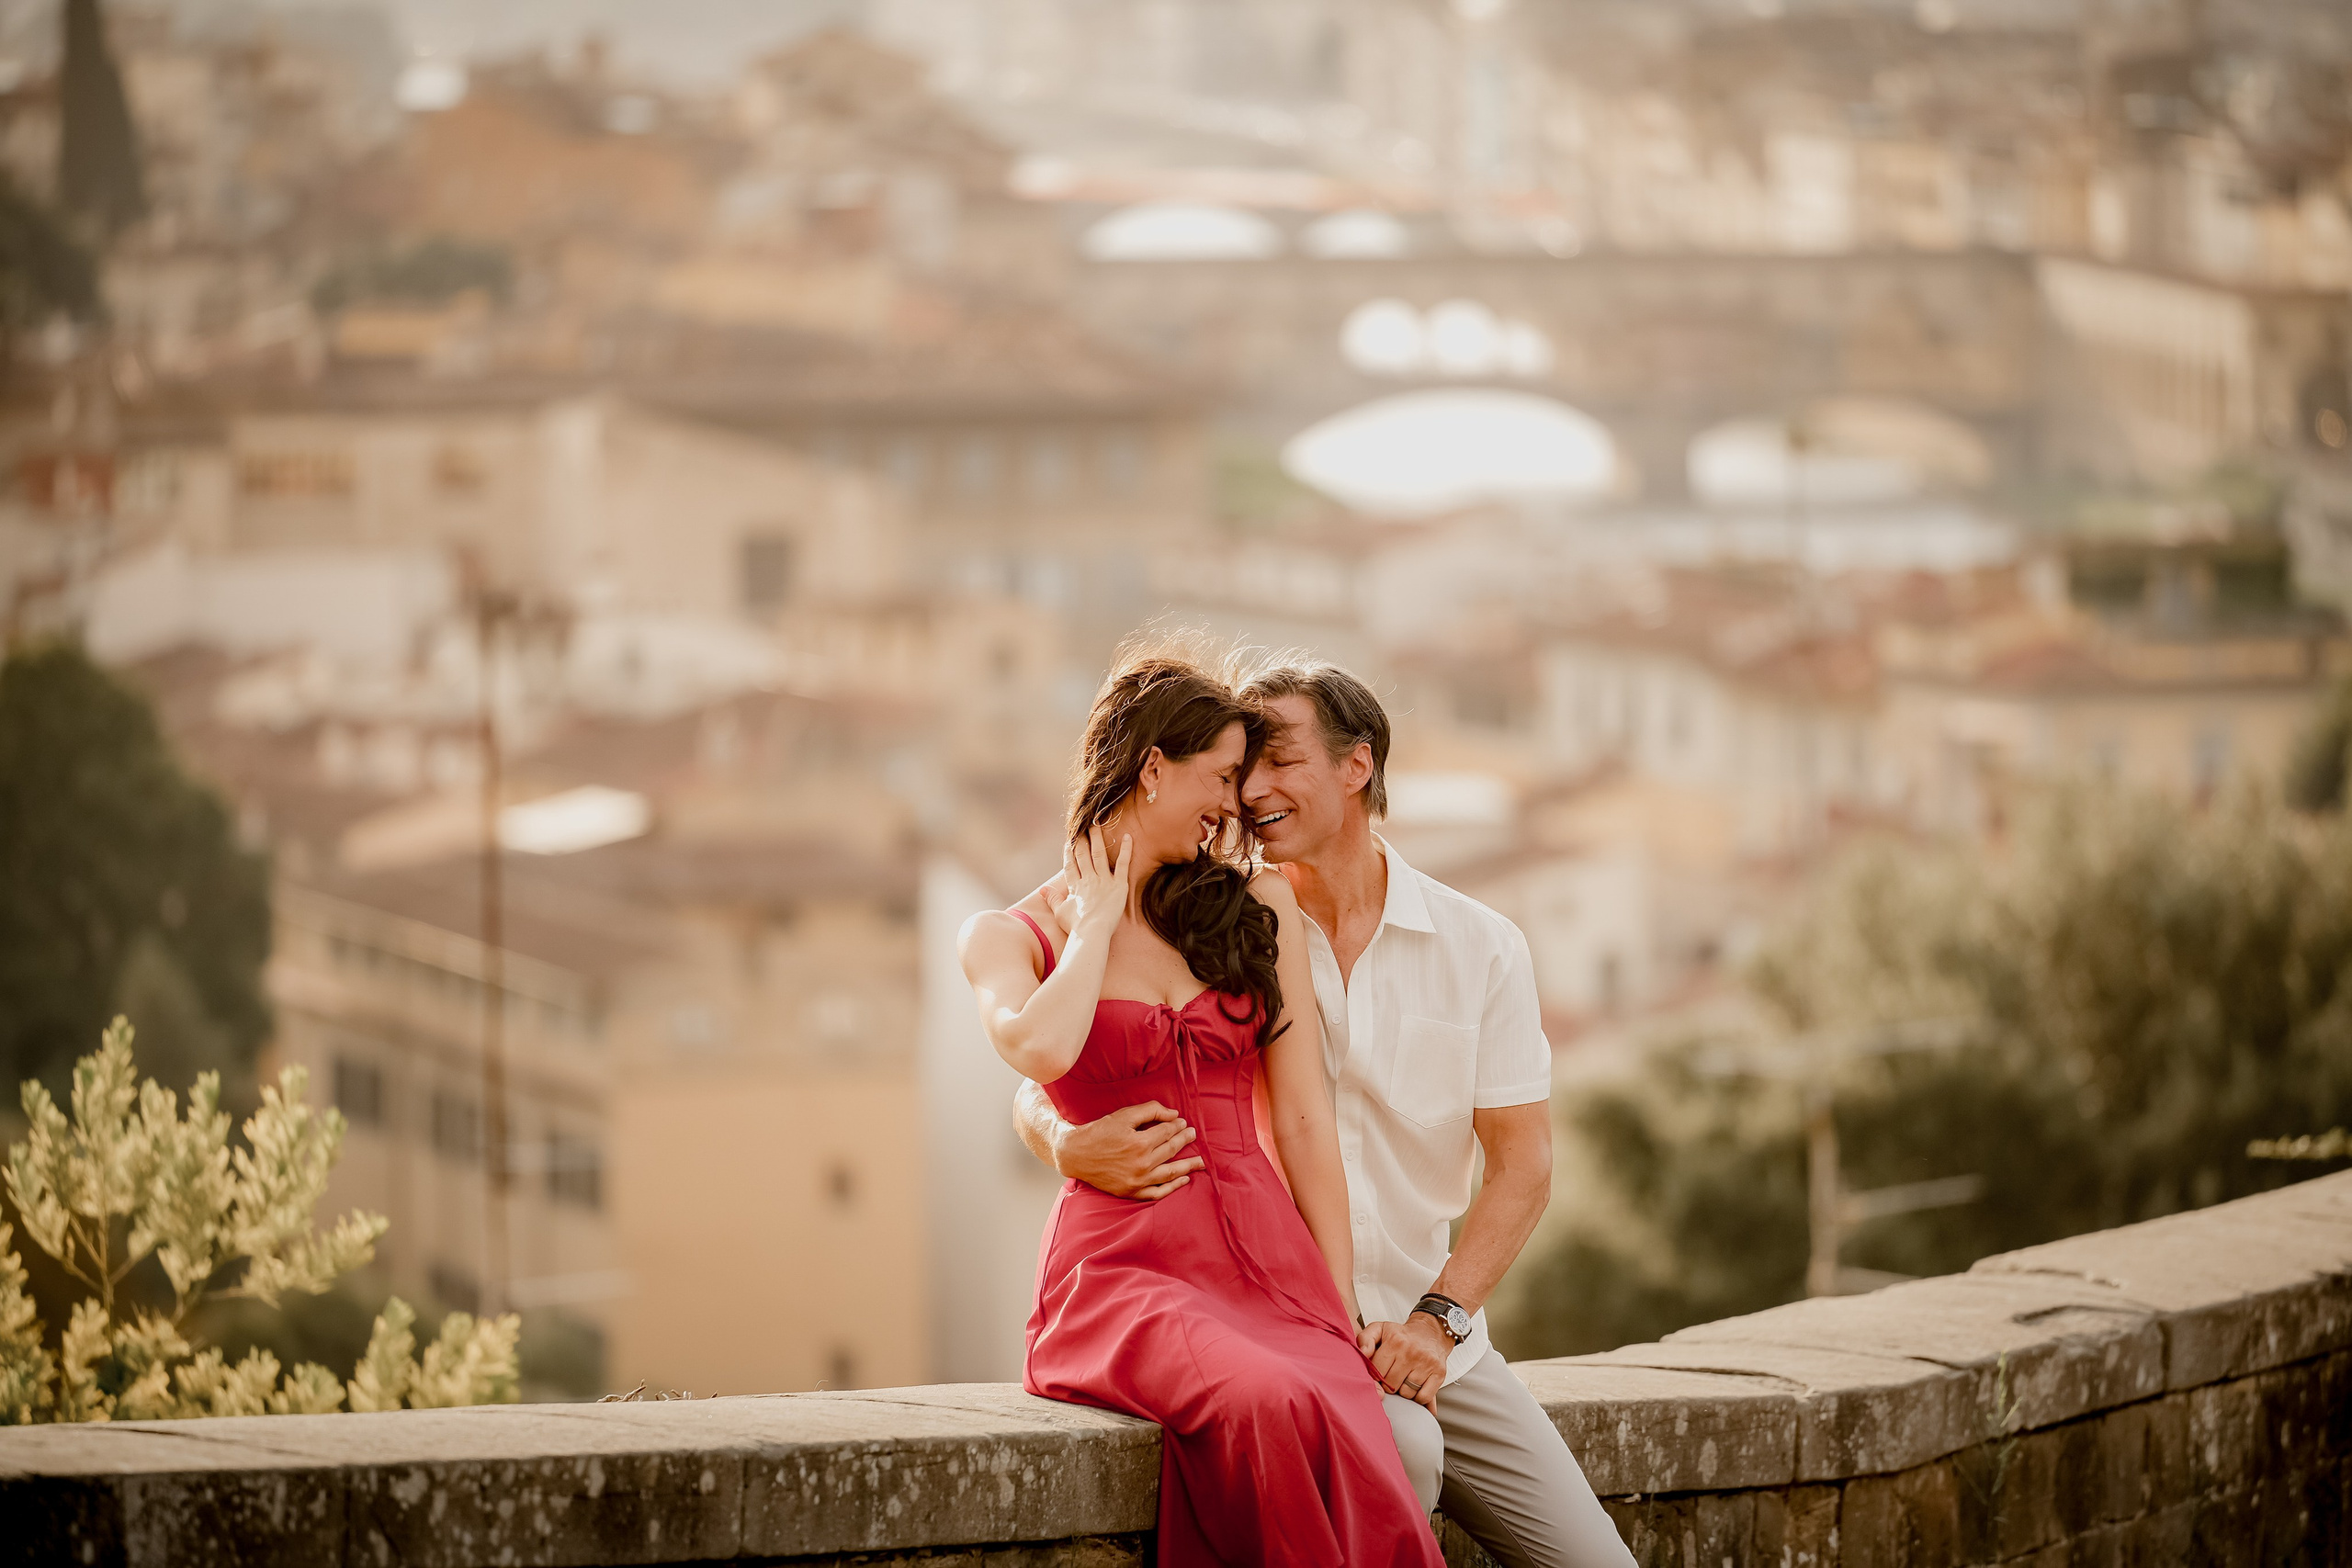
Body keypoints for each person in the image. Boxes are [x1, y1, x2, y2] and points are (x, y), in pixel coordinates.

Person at [1015, 659, 1635, 1568]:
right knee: (1400, 1458)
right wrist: (1066, 1141)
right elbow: (1076, 1063)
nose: (1250, 793)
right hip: (1277, 1314)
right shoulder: (1222, 920)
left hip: (1433, 1334)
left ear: (1357, 764)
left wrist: (1439, 1322)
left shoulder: (1480, 947)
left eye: (1279, 761)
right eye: (1239, 769)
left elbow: (1525, 1165)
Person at [960, 650, 1445, 1568]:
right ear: (1153, 768)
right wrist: (1095, 922)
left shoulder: (1256, 904)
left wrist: (1337, 1300)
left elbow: (1301, 1119)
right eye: (1222, 776)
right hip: (1122, 1270)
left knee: (1338, 1409)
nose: (1237, 802)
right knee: (1263, 1400)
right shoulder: (1008, 933)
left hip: (1269, 1261)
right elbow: (1040, 1051)